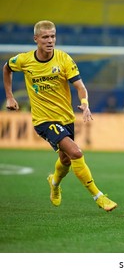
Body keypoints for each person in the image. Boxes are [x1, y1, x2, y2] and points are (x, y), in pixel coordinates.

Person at [3, 20, 117, 212]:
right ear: (36, 39)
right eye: (45, 37)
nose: (50, 40)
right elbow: (6, 68)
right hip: (44, 120)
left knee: (65, 160)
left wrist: (85, 104)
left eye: (53, 36)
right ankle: (99, 196)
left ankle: (54, 183)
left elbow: (80, 87)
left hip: (66, 118)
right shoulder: (24, 60)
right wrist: (10, 96)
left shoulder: (64, 59)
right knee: (76, 153)